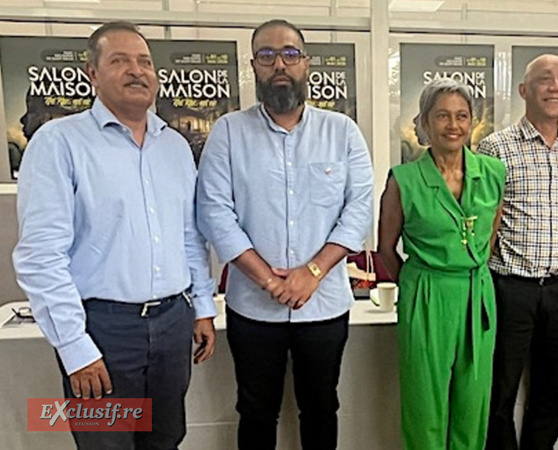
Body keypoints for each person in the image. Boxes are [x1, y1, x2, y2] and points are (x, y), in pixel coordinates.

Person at [12, 21, 217, 449]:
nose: (136, 71)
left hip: (171, 325)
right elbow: (41, 256)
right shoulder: (59, 144)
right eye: (119, 60)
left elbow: (188, 237)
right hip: (102, 330)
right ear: (92, 73)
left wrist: (200, 308)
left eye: (144, 62)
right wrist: (75, 346)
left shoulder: (174, 148)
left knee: (164, 440)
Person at [195, 19, 373, 450]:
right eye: (267, 55)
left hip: (324, 305)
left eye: (290, 54)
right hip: (253, 308)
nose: (280, 65)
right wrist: (269, 280)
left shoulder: (342, 131)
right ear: (253, 66)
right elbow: (215, 212)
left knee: (321, 409)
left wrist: (312, 272)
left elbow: (360, 209)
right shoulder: (229, 132)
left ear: (306, 63)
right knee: (255, 411)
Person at [377, 78, 506, 450]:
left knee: (473, 401)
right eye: (442, 116)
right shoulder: (403, 180)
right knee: (425, 404)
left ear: (472, 122)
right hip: (427, 293)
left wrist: (473, 271)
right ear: (425, 123)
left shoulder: (493, 173)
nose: (453, 125)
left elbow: (491, 236)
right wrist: (416, 286)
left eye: (462, 116)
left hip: (477, 293)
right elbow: (386, 248)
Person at [479, 54, 558, 450]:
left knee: (556, 393)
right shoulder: (495, 148)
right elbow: (483, 221)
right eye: (545, 79)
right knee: (498, 392)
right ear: (525, 90)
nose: (555, 87)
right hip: (510, 289)